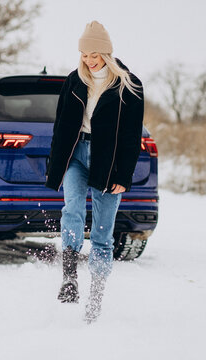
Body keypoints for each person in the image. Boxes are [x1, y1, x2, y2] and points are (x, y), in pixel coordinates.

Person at [45, 20, 144, 323]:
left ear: (106, 53)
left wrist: (123, 177)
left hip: (108, 162)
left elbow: (131, 136)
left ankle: (96, 297)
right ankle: (70, 278)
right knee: (72, 209)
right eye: (84, 54)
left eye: (94, 54)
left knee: (102, 231)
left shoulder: (129, 85)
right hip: (77, 155)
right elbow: (61, 125)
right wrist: (55, 163)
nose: (89, 60)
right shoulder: (75, 80)